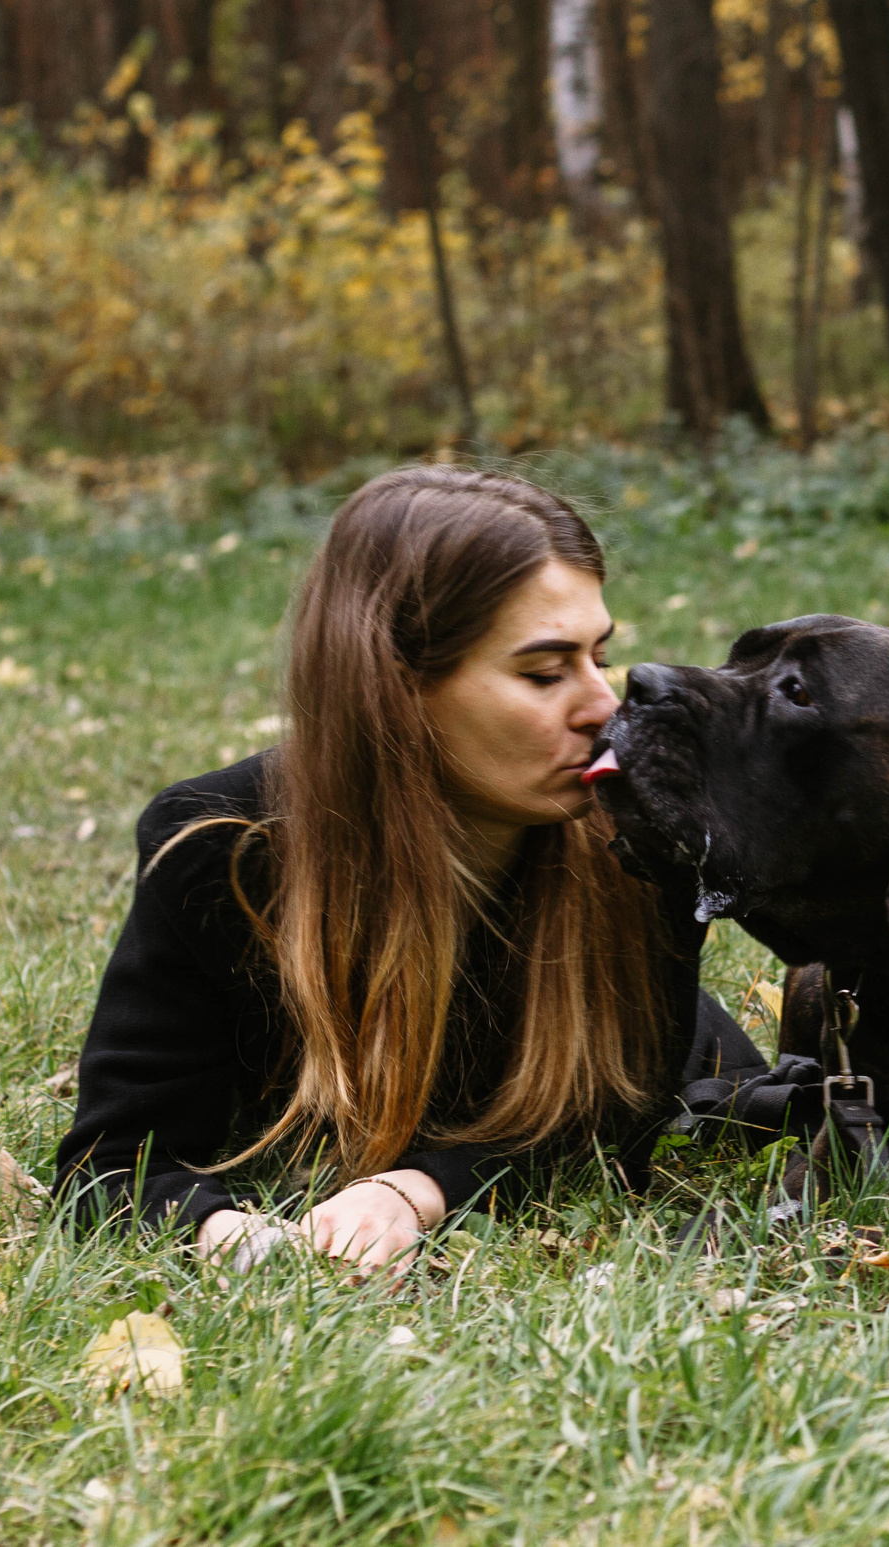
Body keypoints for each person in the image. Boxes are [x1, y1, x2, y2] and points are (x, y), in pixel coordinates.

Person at [53, 467, 764, 1274]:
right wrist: (238, 1239)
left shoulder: (637, 834)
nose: (603, 706)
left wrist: (416, 1190)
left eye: (600, 656)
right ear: (391, 687)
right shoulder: (223, 845)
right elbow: (114, 1164)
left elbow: (614, 1117)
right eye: (544, 671)